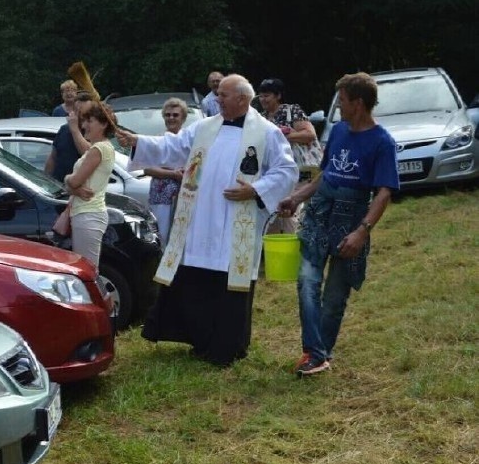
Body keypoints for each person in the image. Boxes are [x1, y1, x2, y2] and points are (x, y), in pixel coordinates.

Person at [117, 74, 298, 366]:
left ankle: (228, 346)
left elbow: (286, 171)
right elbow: (172, 147)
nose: (217, 100)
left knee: (229, 284)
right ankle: (199, 340)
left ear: (242, 99)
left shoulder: (266, 132)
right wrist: (137, 141)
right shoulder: (204, 127)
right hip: (200, 219)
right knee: (197, 281)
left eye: (223, 95)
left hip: (235, 219)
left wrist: (256, 190)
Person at [278, 72, 399, 376]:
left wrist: (362, 231)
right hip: (319, 214)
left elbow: (384, 192)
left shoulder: (383, 142)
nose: (339, 107)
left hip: (351, 218)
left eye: (342, 101)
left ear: (358, 103)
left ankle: (320, 354)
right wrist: (297, 197)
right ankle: (315, 353)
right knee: (307, 283)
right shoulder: (339, 131)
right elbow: (326, 173)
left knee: (334, 296)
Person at [258, 78, 323, 232]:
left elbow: (309, 134)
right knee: (279, 207)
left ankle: (296, 239)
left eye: (267, 96)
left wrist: (284, 136)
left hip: (302, 168)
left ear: (278, 96)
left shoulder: (292, 111)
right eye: (260, 96)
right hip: (277, 170)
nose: (263, 99)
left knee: (296, 206)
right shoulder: (261, 118)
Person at [62, 100, 117, 267]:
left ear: (104, 124)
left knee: (87, 270)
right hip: (86, 213)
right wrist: (73, 187)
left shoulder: (98, 149)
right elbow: (73, 185)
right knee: (85, 268)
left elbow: (75, 181)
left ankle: (95, 295)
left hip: (88, 214)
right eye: (84, 120)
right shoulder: (100, 148)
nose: (84, 125)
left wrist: (67, 180)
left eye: (89, 121)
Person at [143, 97, 187, 248]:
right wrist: (173, 173)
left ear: (183, 118)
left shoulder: (189, 142)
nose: (171, 118)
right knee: (161, 237)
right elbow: (147, 168)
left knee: (182, 237)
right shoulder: (157, 141)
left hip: (185, 196)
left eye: (175, 115)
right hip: (160, 198)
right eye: (168, 115)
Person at [44, 90, 93, 182]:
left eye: (85, 113)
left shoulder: (93, 131)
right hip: (58, 186)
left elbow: (87, 154)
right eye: (77, 111)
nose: (81, 116)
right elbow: (53, 157)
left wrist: (75, 130)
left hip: (79, 187)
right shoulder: (64, 129)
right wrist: (46, 179)